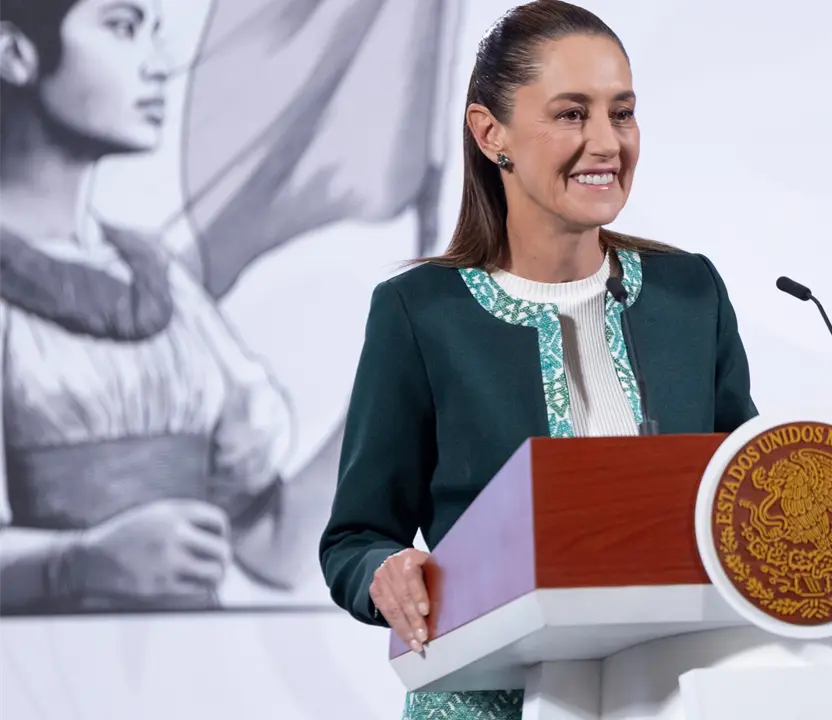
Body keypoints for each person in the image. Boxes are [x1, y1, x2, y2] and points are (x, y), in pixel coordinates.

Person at [319, 2, 758, 718]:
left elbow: (746, 494)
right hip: (488, 699)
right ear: (491, 133)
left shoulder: (690, 295)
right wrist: (384, 571)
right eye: (570, 114)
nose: (606, 142)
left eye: (622, 112)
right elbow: (354, 539)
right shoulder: (420, 313)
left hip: (672, 694)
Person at [0, 0, 312, 613]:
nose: (158, 66)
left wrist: (398, 385)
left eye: (154, 33)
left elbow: (274, 547)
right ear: (15, 54)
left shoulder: (160, 277)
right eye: (121, 27)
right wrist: (77, 563)